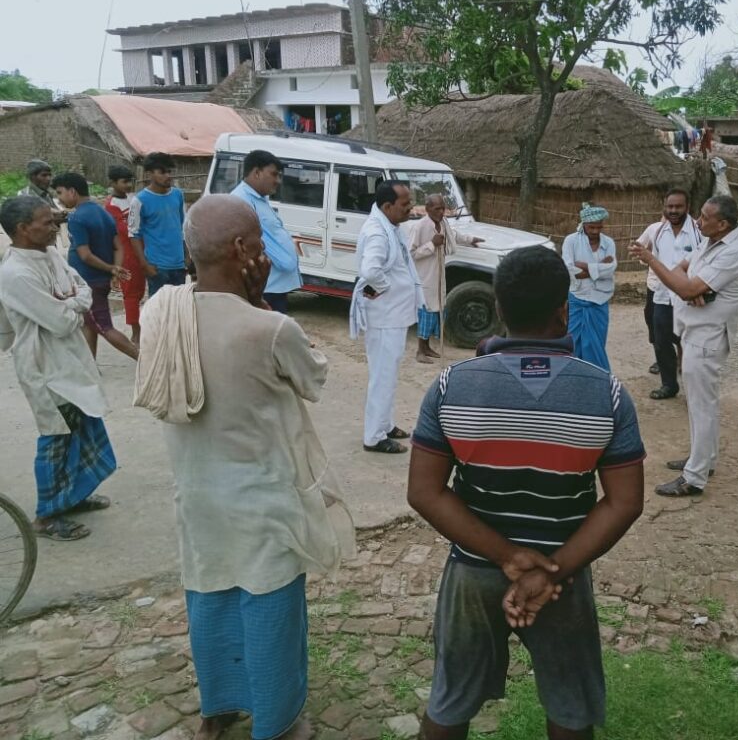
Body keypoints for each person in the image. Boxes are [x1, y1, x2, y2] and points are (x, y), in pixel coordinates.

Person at [134, 194, 355, 740]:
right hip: (262, 498)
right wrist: (259, 304)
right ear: (241, 249)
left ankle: (218, 708)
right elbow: (314, 379)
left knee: (208, 593)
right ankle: (277, 722)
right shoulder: (269, 329)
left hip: (198, 493)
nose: (265, 248)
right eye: (259, 240)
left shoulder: (159, 311)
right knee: (269, 602)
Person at [408, 244, 645, 740]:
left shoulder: (451, 385)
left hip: (473, 569)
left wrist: (506, 556)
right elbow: (625, 501)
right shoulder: (608, 393)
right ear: (564, 309)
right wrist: (550, 568)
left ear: (498, 309)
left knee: (451, 699)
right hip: (564, 574)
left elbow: (425, 493)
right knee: (570, 704)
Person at [0, 196, 115, 541]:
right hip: (44, 364)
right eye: (46, 222)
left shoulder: (49, 254)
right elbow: (63, 320)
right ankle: (47, 516)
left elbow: (81, 289)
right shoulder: (15, 273)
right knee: (56, 438)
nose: (55, 227)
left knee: (80, 427)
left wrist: (73, 302)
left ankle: (73, 496)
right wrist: (73, 304)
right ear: (23, 229)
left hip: (69, 359)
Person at [629, 195, 738, 497]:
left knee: (701, 406)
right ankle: (704, 459)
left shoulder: (735, 251)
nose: (698, 221)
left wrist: (652, 260)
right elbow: (683, 271)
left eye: (705, 217)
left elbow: (684, 283)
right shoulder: (712, 240)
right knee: (702, 404)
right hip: (696, 333)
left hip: (706, 337)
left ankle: (695, 477)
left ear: (723, 224)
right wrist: (691, 287)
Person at [350, 180, 422, 453]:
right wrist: (383, 288)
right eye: (405, 204)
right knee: (383, 376)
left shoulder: (390, 225)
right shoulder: (378, 232)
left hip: (393, 316)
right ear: (387, 206)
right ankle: (374, 436)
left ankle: (386, 423)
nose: (410, 208)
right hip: (385, 317)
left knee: (388, 374)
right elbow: (370, 271)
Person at [52, 172, 138, 361]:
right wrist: (114, 269)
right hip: (101, 281)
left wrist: (111, 269)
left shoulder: (77, 218)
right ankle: (90, 365)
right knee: (88, 322)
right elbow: (118, 247)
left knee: (103, 327)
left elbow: (85, 255)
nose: (59, 198)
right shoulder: (104, 213)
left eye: (60, 193)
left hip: (88, 281)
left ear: (72, 191)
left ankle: (146, 361)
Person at [635, 189, 702, 399]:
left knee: (690, 342)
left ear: (687, 207)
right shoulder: (657, 232)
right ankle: (669, 384)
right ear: (664, 207)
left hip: (689, 297)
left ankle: (694, 389)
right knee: (662, 340)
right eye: (670, 206)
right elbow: (648, 256)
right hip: (662, 295)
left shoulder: (699, 232)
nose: (673, 211)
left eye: (678, 206)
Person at [405, 193, 482, 363]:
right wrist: (432, 244)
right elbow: (410, 254)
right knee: (426, 313)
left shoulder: (443, 223)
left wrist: (470, 239)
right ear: (427, 209)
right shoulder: (419, 227)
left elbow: (453, 236)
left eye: (443, 208)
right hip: (425, 278)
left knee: (437, 311)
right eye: (437, 209)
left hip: (439, 276)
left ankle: (427, 347)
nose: (441, 212)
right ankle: (420, 351)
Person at [230, 149, 302, 314]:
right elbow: (249, 245)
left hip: (273, 285)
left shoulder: (259, 200)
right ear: (256, 172)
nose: (278, 181)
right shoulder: (240, 201)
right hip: (263, 287)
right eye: (274, 174)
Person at [562, 203, 617, 371]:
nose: (595, 231)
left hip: (600, 300)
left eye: (598, 227)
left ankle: (597, 375)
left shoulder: (609, 243)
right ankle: (573, 374)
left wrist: (585, 266)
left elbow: (611, 269)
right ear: (584, 224)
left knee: (597, 343)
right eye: (591, 227)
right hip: (578, 298)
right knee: (573, 340)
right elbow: (570, 269)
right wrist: (599, 267)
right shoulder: (571, 241)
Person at [129, 152, 187, 298]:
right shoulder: (139, 200)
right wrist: (145, 264)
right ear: (149, 174)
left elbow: (182, 227)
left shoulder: (177, 195)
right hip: (157, 267)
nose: (168, 175)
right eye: (162, 172)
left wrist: (187, 255)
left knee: (178, 309)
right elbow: (134, 234)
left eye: (169, 171)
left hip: (179, 265)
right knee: (159, 312)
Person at [104, 165, 145, 345]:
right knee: (131, 294)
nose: (128, 185)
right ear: (113, 183)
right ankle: (136, 331)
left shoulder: (134, 199)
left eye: (130, 181)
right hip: (127, 253)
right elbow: (120, 231)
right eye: (124, 182)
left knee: (142, 291)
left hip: (143, 248)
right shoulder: (110, 206)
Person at [18, 159, 69, 251]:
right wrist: (54, 220)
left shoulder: (46, 194)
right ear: (32, 176)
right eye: (44, 175)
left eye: (49, 175)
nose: (48, 179)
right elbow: (30, 223)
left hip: (48, 243)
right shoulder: (25, 196)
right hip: (33, 246)